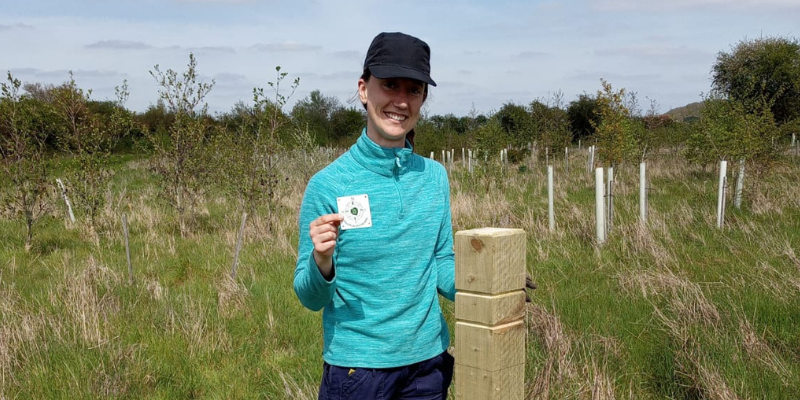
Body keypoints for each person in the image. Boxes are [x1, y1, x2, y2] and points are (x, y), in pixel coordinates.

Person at [293, 32, 456, 400]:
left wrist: (491, 283)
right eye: (390, 85)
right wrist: (322, 262)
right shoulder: (328, 185)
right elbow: (309, 296)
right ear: (364, 89)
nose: (400, 100)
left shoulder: (434, 178)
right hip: (357, 374)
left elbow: (442, 262)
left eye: (414, 90)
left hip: (427, 369)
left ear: (423, 99)